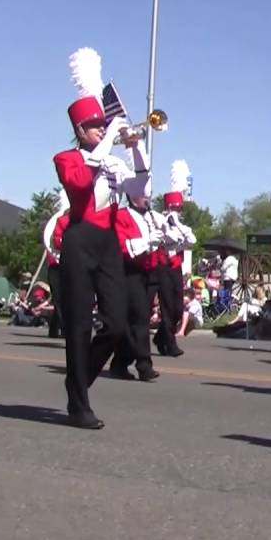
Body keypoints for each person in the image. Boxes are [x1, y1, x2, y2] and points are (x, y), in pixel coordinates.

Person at [52, 47, 133, 429]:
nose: (104, 130)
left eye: (105, 125)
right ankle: (79, 404)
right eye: (97, 126)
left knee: (117, 324)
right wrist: (106, 145)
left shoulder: (111, 159)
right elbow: (80, 188)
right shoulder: (67, 159)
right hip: (79, 240)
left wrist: (136, 151)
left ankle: (77, 382)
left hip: (108, 245)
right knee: (80, 324)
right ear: (80, 131)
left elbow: (140, 189)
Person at [108, 143, 162, 382]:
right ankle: (144, 364)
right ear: (131, 194)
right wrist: (149, 241)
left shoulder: (151, 217)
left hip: (148, 272)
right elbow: (123, 247)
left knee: (136, 319)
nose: (147, 197)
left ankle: (120, 362)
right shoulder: (121, 215)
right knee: (139, 318)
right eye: (143, 193)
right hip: (128, 271)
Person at [154, 161, 195, 358]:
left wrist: (177, 223)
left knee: (178, 308)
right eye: (174, 209)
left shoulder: (182, 227)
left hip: (175, 269)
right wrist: (167, 223)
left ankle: (161, 337)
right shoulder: (158, 222)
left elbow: (191, 241)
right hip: (161, 268)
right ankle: (170, 343)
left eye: (179, 209)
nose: (177, 212)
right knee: (167, 306)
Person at [42, 191, 70, 339]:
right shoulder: (60, 222)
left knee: (64, 298)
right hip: (56, 266)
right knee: (59, 298)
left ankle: (54, 329)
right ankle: (65, 329)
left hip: (68, 265)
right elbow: (56, 243)